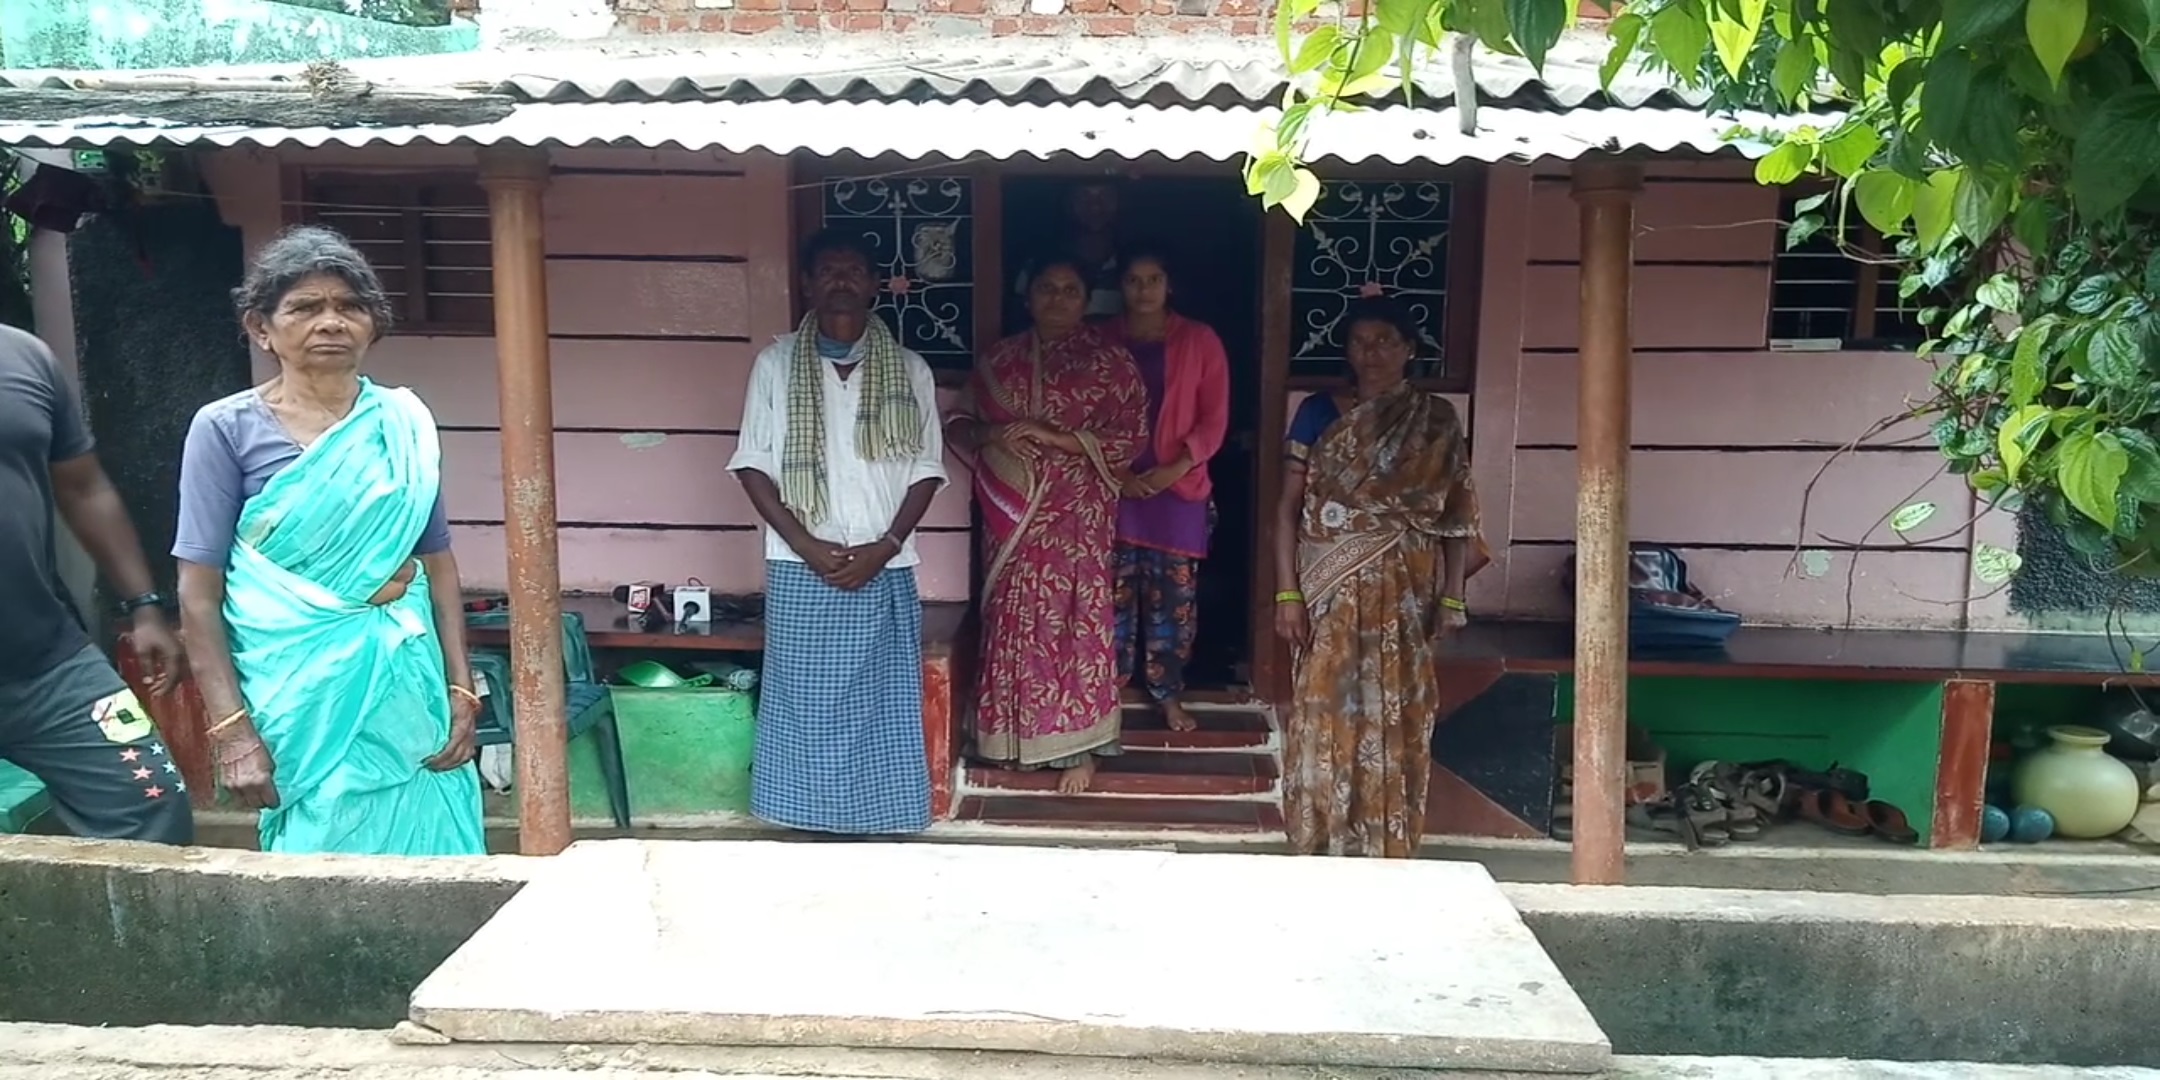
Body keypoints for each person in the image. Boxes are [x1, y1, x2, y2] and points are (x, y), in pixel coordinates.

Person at [173, 225, 482, 856]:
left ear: (373, 324)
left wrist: (460, 685)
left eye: (350, 306)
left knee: (431, 837)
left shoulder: (402, 425)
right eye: (305, 307)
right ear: (261, 328)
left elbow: (437, 564)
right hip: (296, 688)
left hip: (405, 679)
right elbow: (198, 594)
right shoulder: (225, 429)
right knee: (317, 839)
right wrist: (232, 730)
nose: (332, 322)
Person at [728, 229, 946, 835]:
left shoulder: (910, 369)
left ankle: (878, 815)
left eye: (853, 270)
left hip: (885, 564)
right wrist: (805, 544)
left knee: (883, 702)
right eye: (828, 270)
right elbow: (752, 464)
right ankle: (806, 817)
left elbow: (926, 470)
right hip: (800, 565)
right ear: (807, 284)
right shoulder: (775, 366)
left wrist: (886, 545)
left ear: (875, 285)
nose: (841, 281)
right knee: (803, 703)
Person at [1273, 298, 1484, 858]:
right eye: (1361, 342)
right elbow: (1287, 509)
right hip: (1328, 586)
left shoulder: (1435, 420)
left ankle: (1384, 839)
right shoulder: (1317, 412)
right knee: (1325, 705)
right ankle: (1321, 837)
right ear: (1346, 350)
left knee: (1398, 705)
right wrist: (1287, 593)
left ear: (1409, 349)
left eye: (1386, 341)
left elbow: (1457, 515)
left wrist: (1454, 597)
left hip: (1408, 588)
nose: (1372, 353)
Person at [950, 255, 1148, 794]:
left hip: (1077, 521)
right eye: (1046, 287)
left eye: (1069, 290)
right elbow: (959, 424)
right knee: (1014, 621)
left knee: (1073, 625)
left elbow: (1131, 437)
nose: (1057, 298)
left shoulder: (1111, 363)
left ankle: (1081, 751)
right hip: (1012, 520)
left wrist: (1055, 437)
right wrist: (994, 435)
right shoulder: (1000, 359)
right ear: (1028, 295)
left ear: (1086, 300)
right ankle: (1008, 741)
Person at [0, 324, 194, 846]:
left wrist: (145, 607)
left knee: (153, 803)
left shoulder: (24, 356)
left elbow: (83, 487)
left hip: (47, 666)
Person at [1102, 250, 1230, 733]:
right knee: (1109, 598)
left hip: (1179, 490)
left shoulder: (1199, 339)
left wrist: (1173, 469)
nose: (1144, 289)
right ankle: (1107, 693)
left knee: (1172, 600)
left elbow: (1214, 418)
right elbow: (1084, 411)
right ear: (1120, 286)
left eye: (1153, 279)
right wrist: (1116, 472)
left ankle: (1168, 693)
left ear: (1169, 284)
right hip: (1113, 486)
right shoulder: (1100, 339)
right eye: (1134, 279)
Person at [1013, 182, 1125, 320]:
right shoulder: (1036, 266)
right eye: (1083, 197)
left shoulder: (1133, 268)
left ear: (1120, 204)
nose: (1095, 206)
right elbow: (1017, 321)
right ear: (1067, 204)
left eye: (1106, 196)